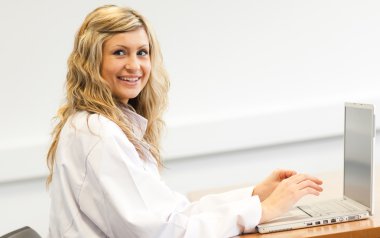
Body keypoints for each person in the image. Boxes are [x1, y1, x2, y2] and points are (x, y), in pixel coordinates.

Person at [46, 5, 323, 238]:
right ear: (92, 62)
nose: (135, 65)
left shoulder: (99, 125)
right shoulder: (99, 134)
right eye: (119, 52)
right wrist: (263, 211)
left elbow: (173, 212)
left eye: (142, 52)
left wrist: (254, 195)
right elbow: (163, 232)